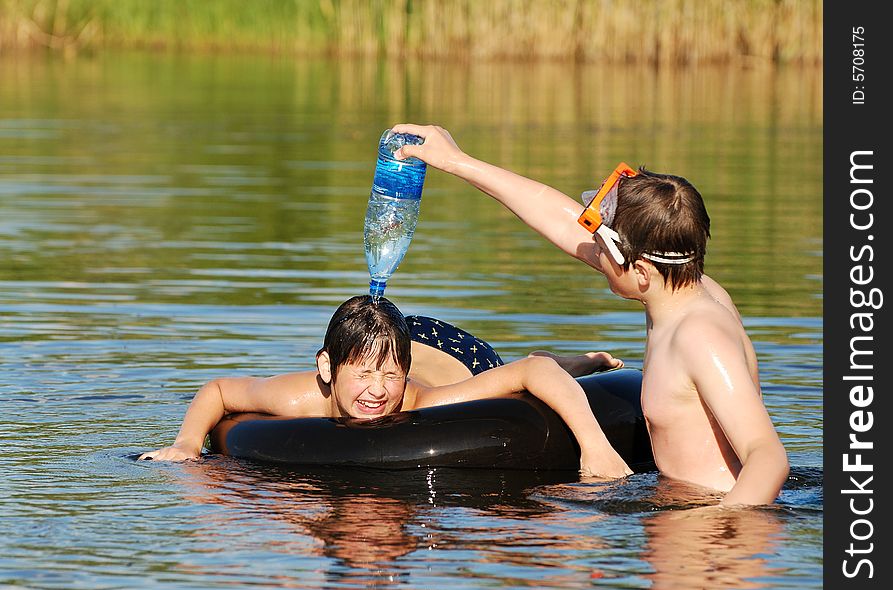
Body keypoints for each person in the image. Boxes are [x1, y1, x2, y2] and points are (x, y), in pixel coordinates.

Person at [389, 123, 789, 506]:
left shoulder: (700, 334)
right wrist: (457, 161)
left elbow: (767, 457)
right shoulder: (680, 289)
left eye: (600, 249)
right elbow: (559, 218)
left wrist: (722, 538)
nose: (591, 252)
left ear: (641, 271)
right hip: (679, 522)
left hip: (709, 536)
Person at [139, 295, 632, 478]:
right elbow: (221, 391)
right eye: (364, 374)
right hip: (389, 334)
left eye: (389, 376)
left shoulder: (424, 399)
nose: (377, 391)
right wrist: (187, 445)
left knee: (514, 367)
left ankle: (584, 360)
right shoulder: (298, 396)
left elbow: (533, 376)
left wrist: (596, 449)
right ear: (327, 368)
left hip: (452, 353)